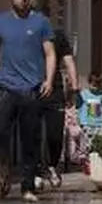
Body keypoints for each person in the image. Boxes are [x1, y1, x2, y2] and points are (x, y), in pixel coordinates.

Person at [0, 0, 56, 203]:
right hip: (5, 88)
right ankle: (1, 184)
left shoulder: (41, 22)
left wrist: (49, 80)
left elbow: (50, 53)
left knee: (30, 140)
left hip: (31, 89)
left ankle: (27, 187)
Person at [38, 24, 80, 187]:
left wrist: (74, 86)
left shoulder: (57, 35)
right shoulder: (25, 34)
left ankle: (51, 165)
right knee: (33, 132)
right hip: (31, 88)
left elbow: (68, 60)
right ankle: (36, 171)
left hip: (54, 89)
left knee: (55, 133)